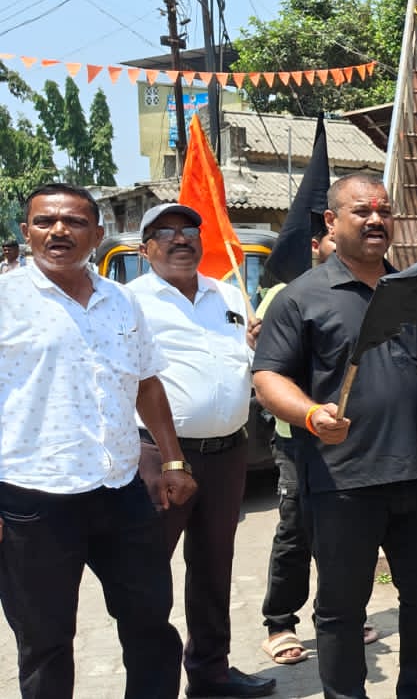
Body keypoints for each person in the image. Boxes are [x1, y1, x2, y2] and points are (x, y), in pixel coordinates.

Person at [250, 174, 417, 699]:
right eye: (362, 211)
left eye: (384, 211)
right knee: (341, 609)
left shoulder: (413, 295)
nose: (376, 219)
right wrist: (311, 414)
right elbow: (268, 378)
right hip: (341, 483)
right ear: (332, 222)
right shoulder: (301, 298)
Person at [0, 183, 195, 699]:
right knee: (45, 643)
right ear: (26, 232)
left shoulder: (121, 301)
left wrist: (173, 460)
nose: (58, 231)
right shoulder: (5, 300)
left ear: (98, 234)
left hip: (120, 491)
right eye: (44, 221)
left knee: (151, 624)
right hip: (33, 500)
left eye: (74, 222)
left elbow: (147, 383)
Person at [127, 203, 275, 698]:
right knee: (148, 573)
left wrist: (258, 343)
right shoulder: (129, 301)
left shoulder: (227, 294)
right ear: (145, 248)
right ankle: (152, 684)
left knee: (214, 567)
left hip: (228, 453)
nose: (180, 239)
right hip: (158, 457)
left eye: (189, 229)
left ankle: (211, 674)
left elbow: (245, 364)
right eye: (165, 232)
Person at [255, 228, 376, 664]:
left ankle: (343, 613)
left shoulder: (371, 291)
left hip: (353, 439)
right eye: (330, 237)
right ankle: (281, 622)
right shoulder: (284, 296)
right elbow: (267, 364)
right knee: (296, 530)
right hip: (298, 440)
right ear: (319, 241)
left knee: (345, 532)